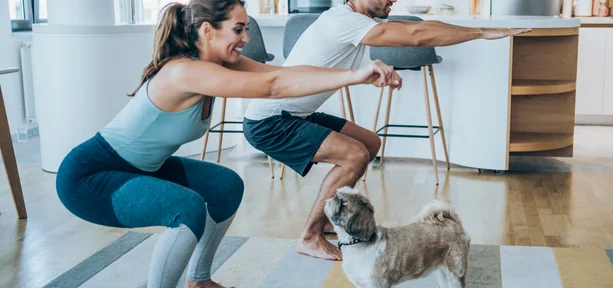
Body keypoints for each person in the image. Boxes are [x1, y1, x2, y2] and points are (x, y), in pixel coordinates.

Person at [54, 0, 400, 287]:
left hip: (140, 168)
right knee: (187, 208)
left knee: (225, 185)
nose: (246, 38)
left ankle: (199, 281)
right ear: (208, 30)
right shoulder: (184, 71)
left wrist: (358, 74)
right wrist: (354, 74)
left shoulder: (217, 62)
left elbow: (284, 73)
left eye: (246, 28)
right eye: (238, 29)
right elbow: (274, 87)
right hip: (91, 177)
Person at [242, 0, 532, 261]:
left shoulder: (358, 19)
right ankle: (309, 237)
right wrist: (481, 33)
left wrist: (475, 29)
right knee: (354, 156)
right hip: (271, 121)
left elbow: (416, 27)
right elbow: (417, 36)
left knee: (368, 143)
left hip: (295, 114)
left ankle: (330, 218)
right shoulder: (344, 20)